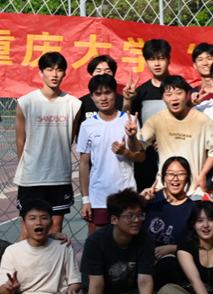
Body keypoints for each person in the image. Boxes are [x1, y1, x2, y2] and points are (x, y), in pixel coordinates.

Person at [68, 188, 164, 294]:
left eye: (139, 215)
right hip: (103, 293)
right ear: (114, 219)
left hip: (129, 292)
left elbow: (145, 280)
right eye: (129, 216)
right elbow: (96, 285)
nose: (136, 220)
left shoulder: (145, 239)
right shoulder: (96, 242)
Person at [13, 51, 82, 240]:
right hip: (32, 178)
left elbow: (70, 138)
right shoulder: (26, 102)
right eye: (49, 69)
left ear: (65, 73)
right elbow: (20, 141)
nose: (54, 74)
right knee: (27, 230)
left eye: (59, 70)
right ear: (41, 72)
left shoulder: (74, 104)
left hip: (59, 177)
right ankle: (18, 261)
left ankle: (51, 262)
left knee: (55, 228)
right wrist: (28, 168)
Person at [127, 74, 213, 194]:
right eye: (169, 94)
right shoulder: (157, 119)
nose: (174, 98)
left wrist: (202, 175)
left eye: (179, 93)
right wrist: (131, 136)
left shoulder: (203, 120)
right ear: (163, 98)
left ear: (187, 94)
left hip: (194, 190)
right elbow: (137, 148)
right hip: (164, 189)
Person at [77, 74, 138, 230]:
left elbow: (140, 157)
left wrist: (126, 151)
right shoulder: (87, 125)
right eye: (98, 94)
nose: (103, 98)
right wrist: (85, 200)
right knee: (97, 239)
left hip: (126, 194)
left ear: (115, 94)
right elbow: (84, 164)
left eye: (107, 92)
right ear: (92, 97)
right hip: (98, 197)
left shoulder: (130, 121)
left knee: (127, 238)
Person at [124, 38, 174, 192]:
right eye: (152, 59)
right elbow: (126, 121)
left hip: (175, 160)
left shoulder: (180, 89)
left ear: (169, 59)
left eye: (161, 58)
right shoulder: (140, 93)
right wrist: (127, 100)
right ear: (146, 62)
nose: (157, 64)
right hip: (147, 162)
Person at [144, 157, 198, 287]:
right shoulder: (151, 198)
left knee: (168, 265)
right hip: (140, 254)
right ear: (164, 177)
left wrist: (173, 248)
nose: (175, 178)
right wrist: (139, 200)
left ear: (187, 177)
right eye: (170, 174)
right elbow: (123, 220)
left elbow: (195, 245)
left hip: (166, 261)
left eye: (181, 174)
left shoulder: (193, 209)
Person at [76, 55, 130, 125]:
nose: (103, 74)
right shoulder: (80, 103)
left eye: (107, 71)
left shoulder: (123, 101)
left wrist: (127, 100)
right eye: (98, 71)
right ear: (91, 74)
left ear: (113, 74)